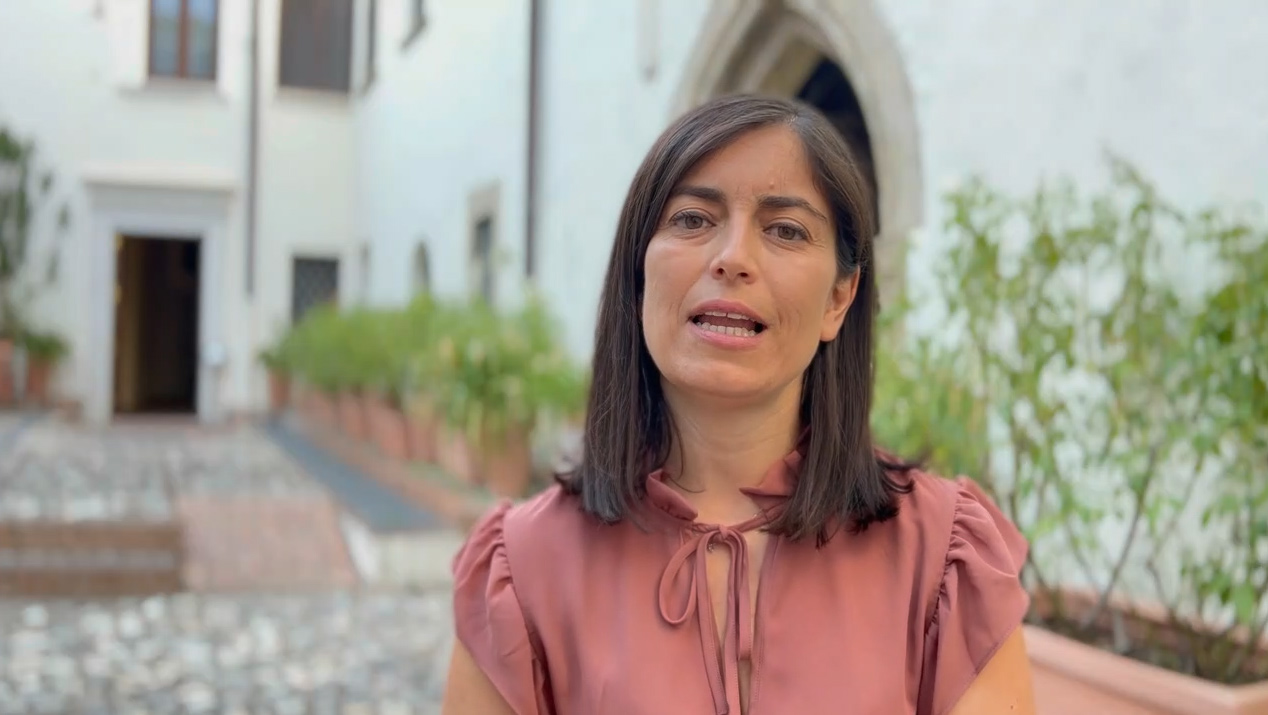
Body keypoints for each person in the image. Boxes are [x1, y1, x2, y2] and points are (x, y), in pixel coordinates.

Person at [441, 94, 1034, 714]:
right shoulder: (522, 568)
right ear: (638, 275)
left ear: (839, 298)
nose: (732, 259)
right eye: (693, 219)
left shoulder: (943, 560)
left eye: (785, 230)